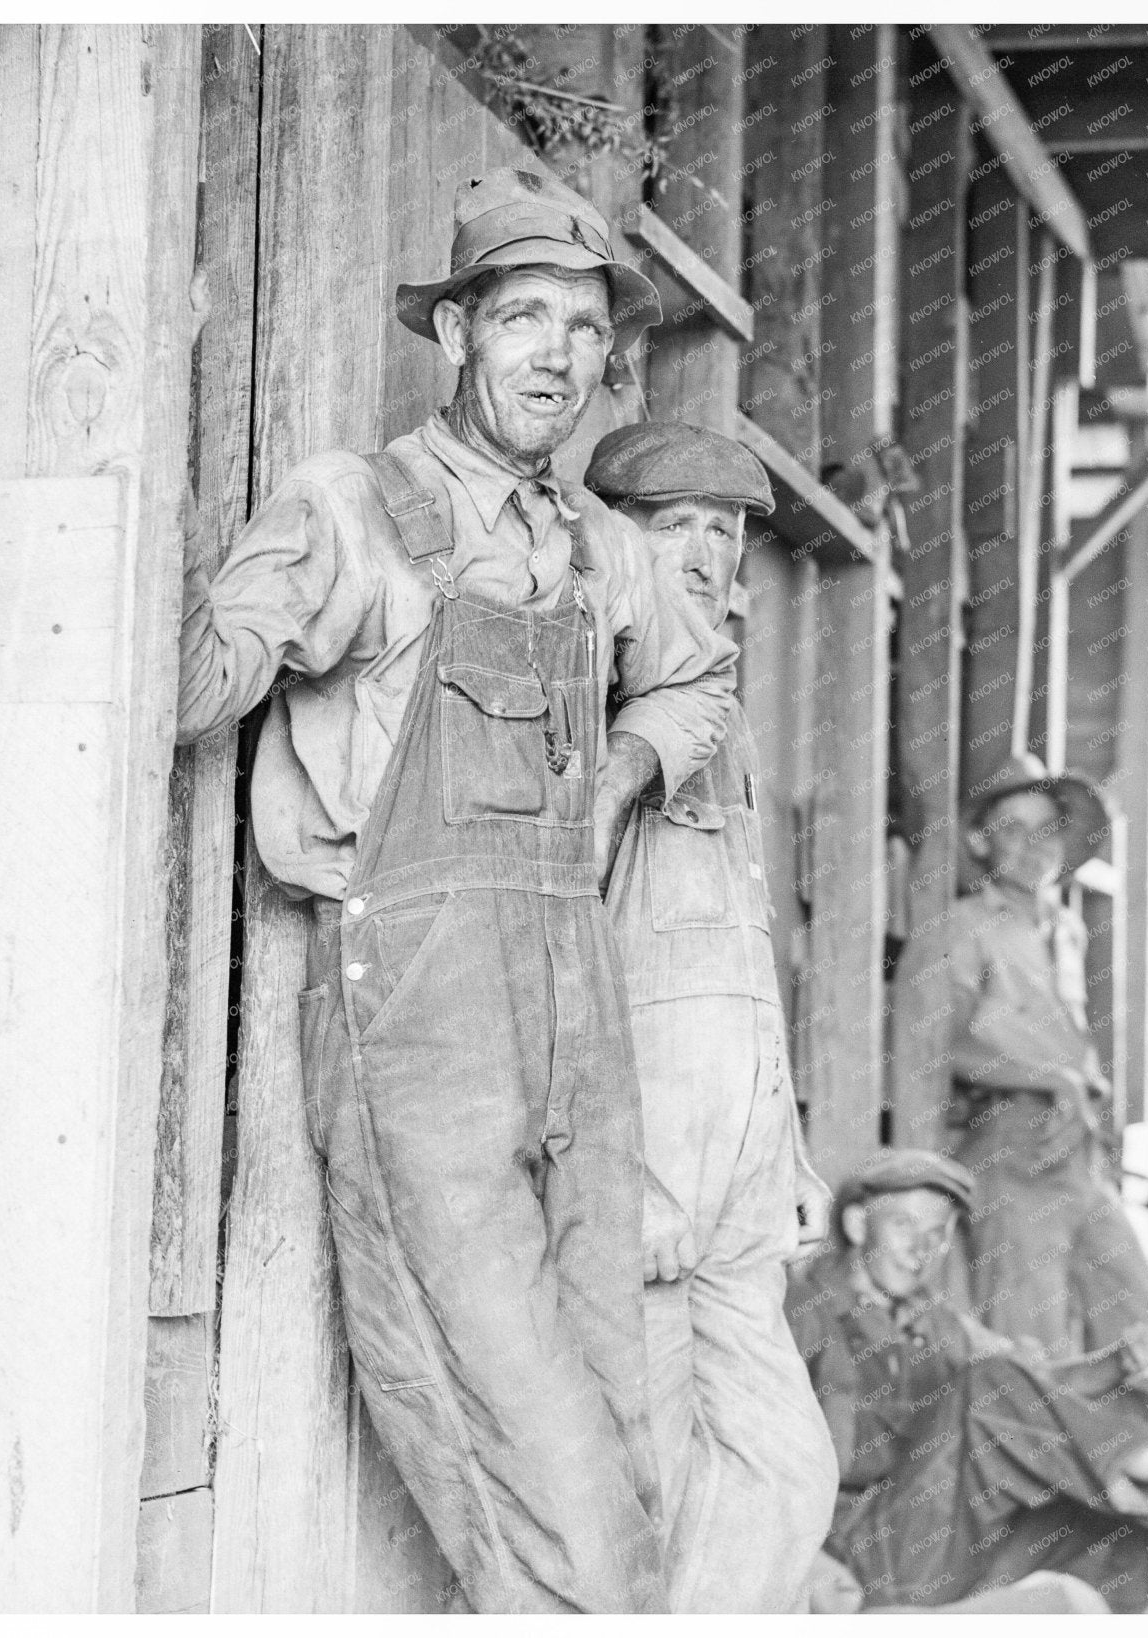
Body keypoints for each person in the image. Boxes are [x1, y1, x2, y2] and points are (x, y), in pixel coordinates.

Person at [177, 165, 740, 1612]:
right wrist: (161, 647)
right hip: (419, 1011)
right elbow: (211, 661)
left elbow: (699, 680)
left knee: (622, 1401)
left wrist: (620, 767)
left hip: (576, 999)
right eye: (524, 318)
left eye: (583, 329)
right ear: (458, 337)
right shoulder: (353, 509)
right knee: (518, 1419)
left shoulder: (603, 547)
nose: (558, 354)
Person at [582, 420, 839, 1611]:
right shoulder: (592, 697)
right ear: (613, 541)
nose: (699, 551)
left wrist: (784, 1147)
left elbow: (740, 964)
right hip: (646, 1179)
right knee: (646, 1488)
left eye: (721, 532)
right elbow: (554, 955)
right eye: (669, 524)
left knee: (787, 1479)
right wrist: (610, 1168)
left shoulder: (720, 717)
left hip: (736, 1181)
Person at [785, 1150, 1148, 1613]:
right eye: (904, 1227)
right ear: (857, 1226)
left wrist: (1116, 1365)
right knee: (990, 1387)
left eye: (937, 1234)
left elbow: (1029, 1394)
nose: (922, 1250)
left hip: (940, 1541)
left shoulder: (938, 1323)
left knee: (1106, 1526)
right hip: (861, 1552)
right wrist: (811, 1567)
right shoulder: (807, 1313)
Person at [940, 756, 1148, 1410]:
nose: (1031, 846)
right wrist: (1052, 1080)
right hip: (1011, 1151)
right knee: (1030, 1354)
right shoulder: (965, 925)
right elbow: (945, 1044)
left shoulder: (1068, 930)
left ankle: (1120, 1498)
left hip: (1079, 1158)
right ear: (980, 840)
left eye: (1046, 830)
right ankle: (1025, 1502)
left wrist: (1083, 1101)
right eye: (1012, 829)